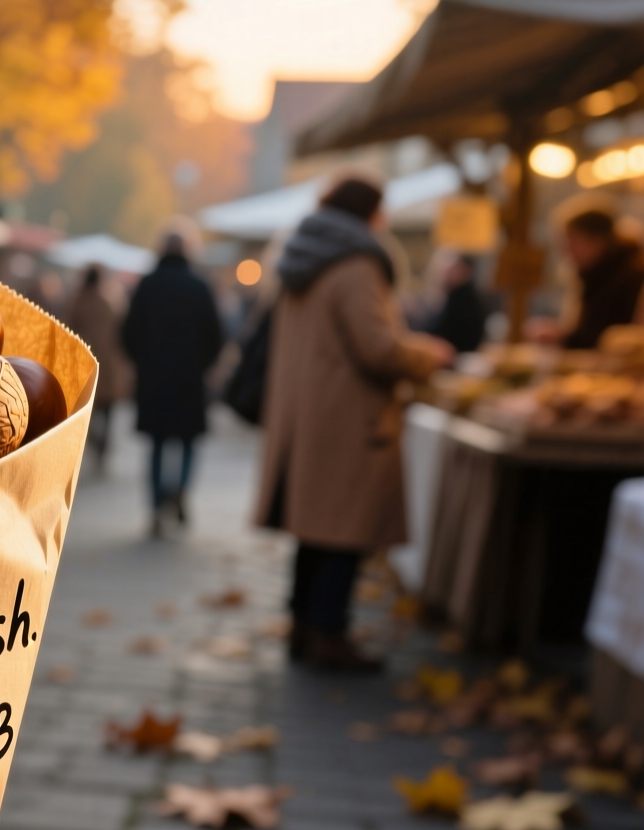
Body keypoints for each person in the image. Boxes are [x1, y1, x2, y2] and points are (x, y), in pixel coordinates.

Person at [254, 175, 452, 672]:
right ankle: (328, 633)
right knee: (344, 532)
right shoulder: (357, 266)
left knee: (314, 531)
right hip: (348, 419)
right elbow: (378, 348)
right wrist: (428, 354)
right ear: (372, 213)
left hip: (309, 418)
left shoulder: (305, 261)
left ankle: (303, 625)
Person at [121, 220, 224, 538]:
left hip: (154, 379)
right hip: (190, 379)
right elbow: (217, 335)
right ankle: (179, 488)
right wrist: (201, 365)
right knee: (188, 441)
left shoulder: (148, 284)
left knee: (156, 444)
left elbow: (127, 333)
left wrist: (143, 361)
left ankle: (155, 507)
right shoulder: (199, 285)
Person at [531, 196, 644, 349]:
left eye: (572, 241)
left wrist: (564, 338)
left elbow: (608, 338)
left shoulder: (630, 275)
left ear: (597, 241)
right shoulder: (595, 274)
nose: (567, 251)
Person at [67, 264, 127, 472]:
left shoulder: (78, 302)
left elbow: (68, 329)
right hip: (108, 364)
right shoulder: (109, 302)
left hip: (85, 361)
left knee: (87, 409)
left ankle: (95, 441)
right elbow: (120, 330)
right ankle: (103, 449)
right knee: (108, 412)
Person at [419, 253, 487, 353]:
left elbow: (448, 331)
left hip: (456, 352)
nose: (447, 275)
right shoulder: (459, 295)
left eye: (452, 270)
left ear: (464, 271)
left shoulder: (464, 299)